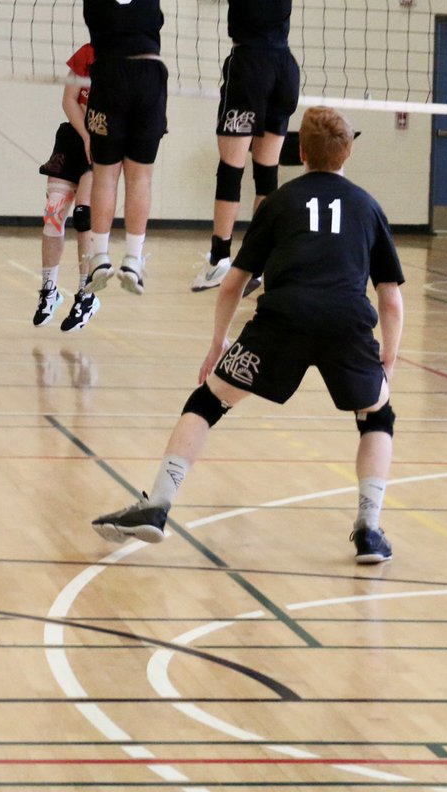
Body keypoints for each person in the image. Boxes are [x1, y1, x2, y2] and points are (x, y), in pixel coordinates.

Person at [92, 106, 404, 564]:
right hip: (347, 323)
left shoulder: (278, 202)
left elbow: (234, 282)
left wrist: (218, 344)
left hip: (283, 319)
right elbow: (391, 299)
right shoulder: (367, 206)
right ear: (348, 152)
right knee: (376, 416)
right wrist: (389, 360)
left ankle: (157, 506)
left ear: (300, 152)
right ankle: (369, 531)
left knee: (208, 400)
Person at [129, 0, 300, 293]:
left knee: (231, 168)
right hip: (285, 67)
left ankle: (222, 258)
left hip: (249, 68)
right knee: (267, 172)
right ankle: (260, 262)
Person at [23, 0, 167, 297]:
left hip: (109, 74)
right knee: (139, 173)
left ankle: (101, 255)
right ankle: (134, 261)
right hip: (150, 72)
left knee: (105, 170)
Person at [34, 41, 100, 333]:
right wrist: (85, 136)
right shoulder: (88, 52)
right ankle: (50, 290)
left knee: (84, 214)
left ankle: (86, 295)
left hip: (103, 143)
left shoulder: (127, 58)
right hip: (75, 137)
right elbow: (69, 99)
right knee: (52, 214)